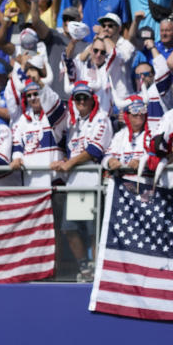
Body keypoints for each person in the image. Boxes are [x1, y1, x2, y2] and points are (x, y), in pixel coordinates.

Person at [50, 81, 112, 281]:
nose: (81, 101)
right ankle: (85, 266)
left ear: (92, 99)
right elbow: (73, 151)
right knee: (70, 229)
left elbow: (95, 150)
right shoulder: (74, 125)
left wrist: (70, 164)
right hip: (74, 184)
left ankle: (96, 267)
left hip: (93, 183)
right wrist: (65, 163)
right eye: (78, 98)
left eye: (85, 97)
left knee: (93, 230)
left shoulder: (102, 119)